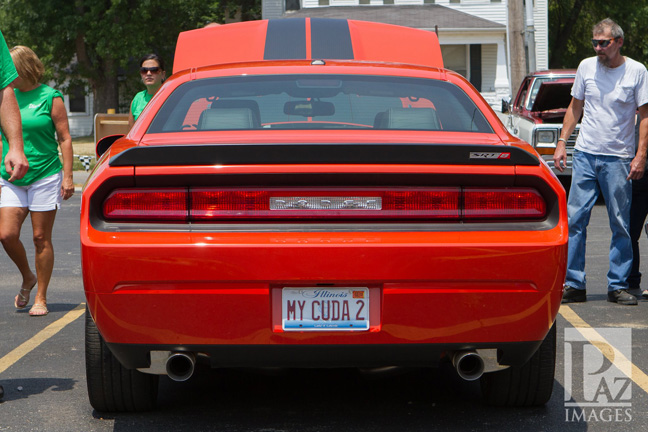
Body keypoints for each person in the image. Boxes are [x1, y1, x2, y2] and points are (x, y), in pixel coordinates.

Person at [554, 18, 648, 306]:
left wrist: (640, 155)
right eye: (594, 42)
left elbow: (644, 116)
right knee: (576, 220)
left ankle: (618, 285)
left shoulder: (637, 71)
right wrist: (561, 143)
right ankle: (574, 283)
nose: (598, 48)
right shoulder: (586, 67)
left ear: (618, 42)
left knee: (620, 223)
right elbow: (575, 107)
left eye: (604, 42)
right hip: (584, 154)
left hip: (618, 158)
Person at [0, 45, 74, 316]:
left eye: (10, 69)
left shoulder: (50, 97)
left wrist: (67, 176)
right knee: (6, 235)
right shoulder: (6, 96)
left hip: (45, 174)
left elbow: (64, 138)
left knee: (40, 237)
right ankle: (27, 277)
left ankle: (40, 296)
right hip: (11, 176)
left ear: (24, 68)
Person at [128, 54, 165, 127]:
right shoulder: (137, 99)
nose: (148, 73)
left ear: (163, 74)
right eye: (144, 70)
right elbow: (132, 132)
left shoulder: (171, 97)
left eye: (154, 70)